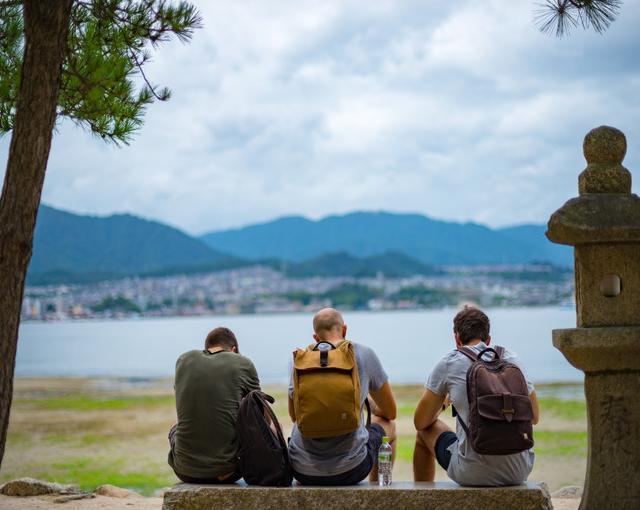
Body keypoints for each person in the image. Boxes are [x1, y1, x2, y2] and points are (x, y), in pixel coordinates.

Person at [413, 306, 540, 486]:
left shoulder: (449, 363)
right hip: (519, 471)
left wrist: (444, 403)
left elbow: (420, 422)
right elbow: (534, 417)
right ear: (488, 339)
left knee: (423, 432)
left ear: (457, 338)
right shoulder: (513, 360)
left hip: (471, 472)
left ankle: (420, 501)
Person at [288, 307, 397, 485]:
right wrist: (361, 401)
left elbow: (294, 416)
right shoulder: (364, 354)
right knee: (389, 426)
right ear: (344, 329)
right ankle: (380, 493)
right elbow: (390, 412)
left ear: (315, 338)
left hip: (301, 470)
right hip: (351, 469)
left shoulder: (302, 360)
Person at [168, 326, 260, 484]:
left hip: (184, 471)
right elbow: (259, 415)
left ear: (208, 349)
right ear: (233, 349)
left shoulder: (184, 360)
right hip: (227, 472)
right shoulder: (242, 362)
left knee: (175, 428)